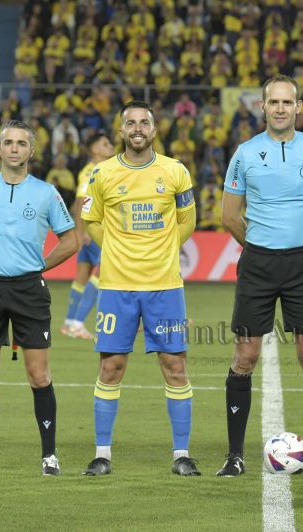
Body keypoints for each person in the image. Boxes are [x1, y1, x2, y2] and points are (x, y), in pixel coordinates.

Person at [218, 75, 303, 478]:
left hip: (301, 267)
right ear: (263, 106)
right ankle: (234, 456)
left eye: (287, 102)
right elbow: (230, 214)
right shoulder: (246, 153)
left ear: (299, 107)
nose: (280, 108)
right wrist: (258, 244)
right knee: (245, 356)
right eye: (273, 102)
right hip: (257, 266)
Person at [0, 120, 78, 475]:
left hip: (28, 291)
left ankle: (49, 456)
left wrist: (40, 266)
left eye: (22, 143)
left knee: (39, 375)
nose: (15, 148)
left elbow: (70, 240)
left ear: (31, 151)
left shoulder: (46, 192)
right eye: (9, 142)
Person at [80, 100, 200, 477]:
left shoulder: (175, 171)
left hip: (165, 287)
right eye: (129, 122)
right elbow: (92, 221)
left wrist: (161, 251)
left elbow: (188, 222)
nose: (137, 128)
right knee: (111, 367)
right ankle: (102, 455)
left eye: (143, 122)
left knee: (175, 367)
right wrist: (116, 249)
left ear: (154, 128)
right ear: (121, 131)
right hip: (116, 287)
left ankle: (181, 455)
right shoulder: (102, 174)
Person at [61, 132, 115, 340]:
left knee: (82, 276)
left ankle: (68, 323)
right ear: (94, 150)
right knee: (101, 274)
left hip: (90, 231)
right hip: (95, 232)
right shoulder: (91, 171)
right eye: (105, 143)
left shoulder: (102, 169)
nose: (110, 146)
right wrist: (81, 231)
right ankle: (78, 323)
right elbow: (80, 201)